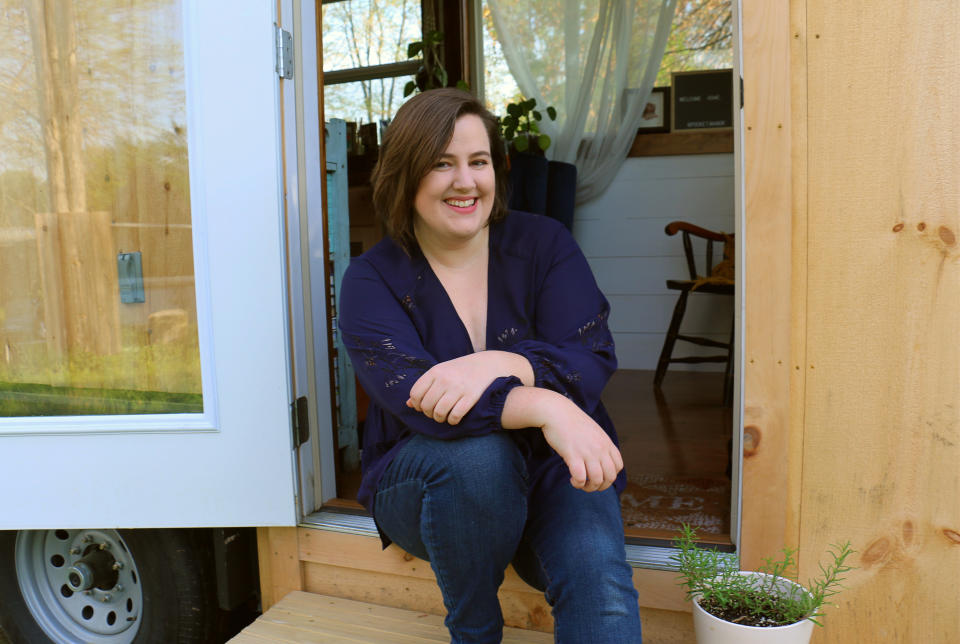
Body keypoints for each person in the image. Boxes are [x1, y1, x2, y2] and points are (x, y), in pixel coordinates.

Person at [338, 88, 642, 644]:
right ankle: (475, 631)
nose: (465, 181)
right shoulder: (370, 279)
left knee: (599, 584)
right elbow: (423, 406)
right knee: (479, 458)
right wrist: (547, 403)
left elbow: (591, 356)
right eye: (440, 164)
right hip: (429, 484)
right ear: (406, 174)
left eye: (478, 162)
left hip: (552, 469)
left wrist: (505, 361)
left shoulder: (544, 243)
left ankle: (529, 540)